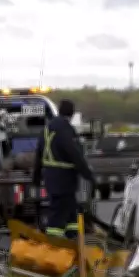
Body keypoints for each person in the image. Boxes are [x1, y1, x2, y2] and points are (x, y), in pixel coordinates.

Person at [32, 99, 95, 238]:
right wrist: (88, 175)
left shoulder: (47, 129)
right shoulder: (66, 129)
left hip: (51, 178)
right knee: (58, 214)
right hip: (64, 180)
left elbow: (39, 154)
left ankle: (73, 238)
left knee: (71, 211)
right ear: (72, 113)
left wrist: (36, 176)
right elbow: (74, 154)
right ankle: (52, 244)